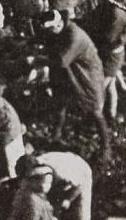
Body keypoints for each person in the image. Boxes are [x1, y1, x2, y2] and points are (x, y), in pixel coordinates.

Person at [40, 10, 111, 163]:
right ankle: (56, 136)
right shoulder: (59, 30)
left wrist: (38, 58)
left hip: (87, 75)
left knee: (95, 110)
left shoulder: (74, 36)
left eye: (51, 29)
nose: (50, 32)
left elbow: (61, 61)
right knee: (60, 102)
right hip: (71, 73)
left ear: (60, 24)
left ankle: (106, 146)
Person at [30, 147, 94, 220]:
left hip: (81, 173)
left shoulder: (63, 174)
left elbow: (80, 185)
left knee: (81, 218)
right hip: (57, 175)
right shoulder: (34, 165)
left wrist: (68, 200)